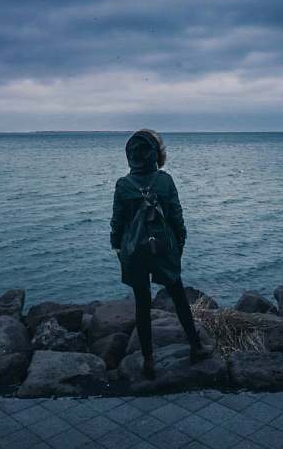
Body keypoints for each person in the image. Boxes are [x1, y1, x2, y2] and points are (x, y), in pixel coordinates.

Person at [109, 129, 212, 378]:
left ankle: (148, 360)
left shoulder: (123, 185)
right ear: (156, 153)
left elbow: (117, 224)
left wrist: (118, 248)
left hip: (135, 254)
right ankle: (196, 347)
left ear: (130, 155)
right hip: (164, 250)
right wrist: (179, 245)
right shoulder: (165, 181)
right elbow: (177, 218)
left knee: (142, 304)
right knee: (178, 296)